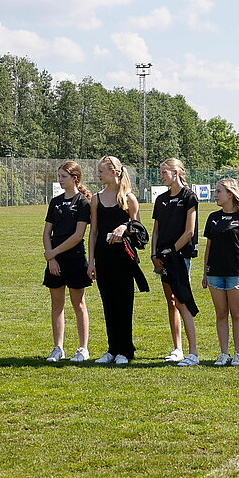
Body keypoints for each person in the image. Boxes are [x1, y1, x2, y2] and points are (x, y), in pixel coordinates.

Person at [90, 155, 142, 365]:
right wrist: (91, 261)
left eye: (101, 171)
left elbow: (139, 230)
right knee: (108, 304)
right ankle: (112, 349)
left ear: (113, 172)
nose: (98, 175)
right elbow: (93, 232)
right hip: (102, 258)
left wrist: (125, 227)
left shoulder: (129, 198)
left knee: (123, 304)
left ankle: (125, 350)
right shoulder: (96, 198)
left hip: (123, 259)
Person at [153, 158, 203, 367]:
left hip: (180, 257)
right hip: (163, 258)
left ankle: (193, 353)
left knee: (182, 300)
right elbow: (156, 230)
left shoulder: (189, 197)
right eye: (161, 172)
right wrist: (155, 255)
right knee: (171, 301)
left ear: (176, 172)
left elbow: (189, 231)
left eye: (165, 172)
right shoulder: (161, 199)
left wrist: (171, 252)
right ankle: (177, 348)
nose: (162, 176)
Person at [43, 161, 94, 363]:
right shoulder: (55, 202)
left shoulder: (83, 202)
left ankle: (83, 348)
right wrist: (52, 258)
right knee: (57, 304)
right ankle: (58, 348)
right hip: (55, 260)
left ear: (75, 178)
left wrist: (53, 252)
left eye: (63, 176)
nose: (60, 179)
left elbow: (78, 234)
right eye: (59, 176)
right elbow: (47, 231)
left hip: (74, 258)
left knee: (78, 303)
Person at [203, 177, 239, 366]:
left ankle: (238, 354)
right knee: (220, 314)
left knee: (237, 313)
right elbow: (208, 247)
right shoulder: (213, 218)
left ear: (230, 194)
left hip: (237, 273)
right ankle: (223, 353)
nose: (215, 195)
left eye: (218, 192)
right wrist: (204, 273)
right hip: (215, 273)